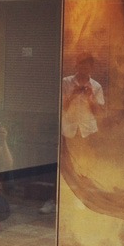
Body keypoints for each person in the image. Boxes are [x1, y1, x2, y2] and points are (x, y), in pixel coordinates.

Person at [40, 52, 105, 214]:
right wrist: (73, 94)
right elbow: (61, 106)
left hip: (87, 132)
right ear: (77, 65)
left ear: (92, 67)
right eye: (81, 64)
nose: (84, 68)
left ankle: (83, 201)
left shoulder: (96, 86)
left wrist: (90, 97)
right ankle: (55, 200)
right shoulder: (66, 82)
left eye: (87, 65)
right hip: (68, 130)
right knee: (64, 166)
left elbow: (99, 112)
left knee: (86, 167)